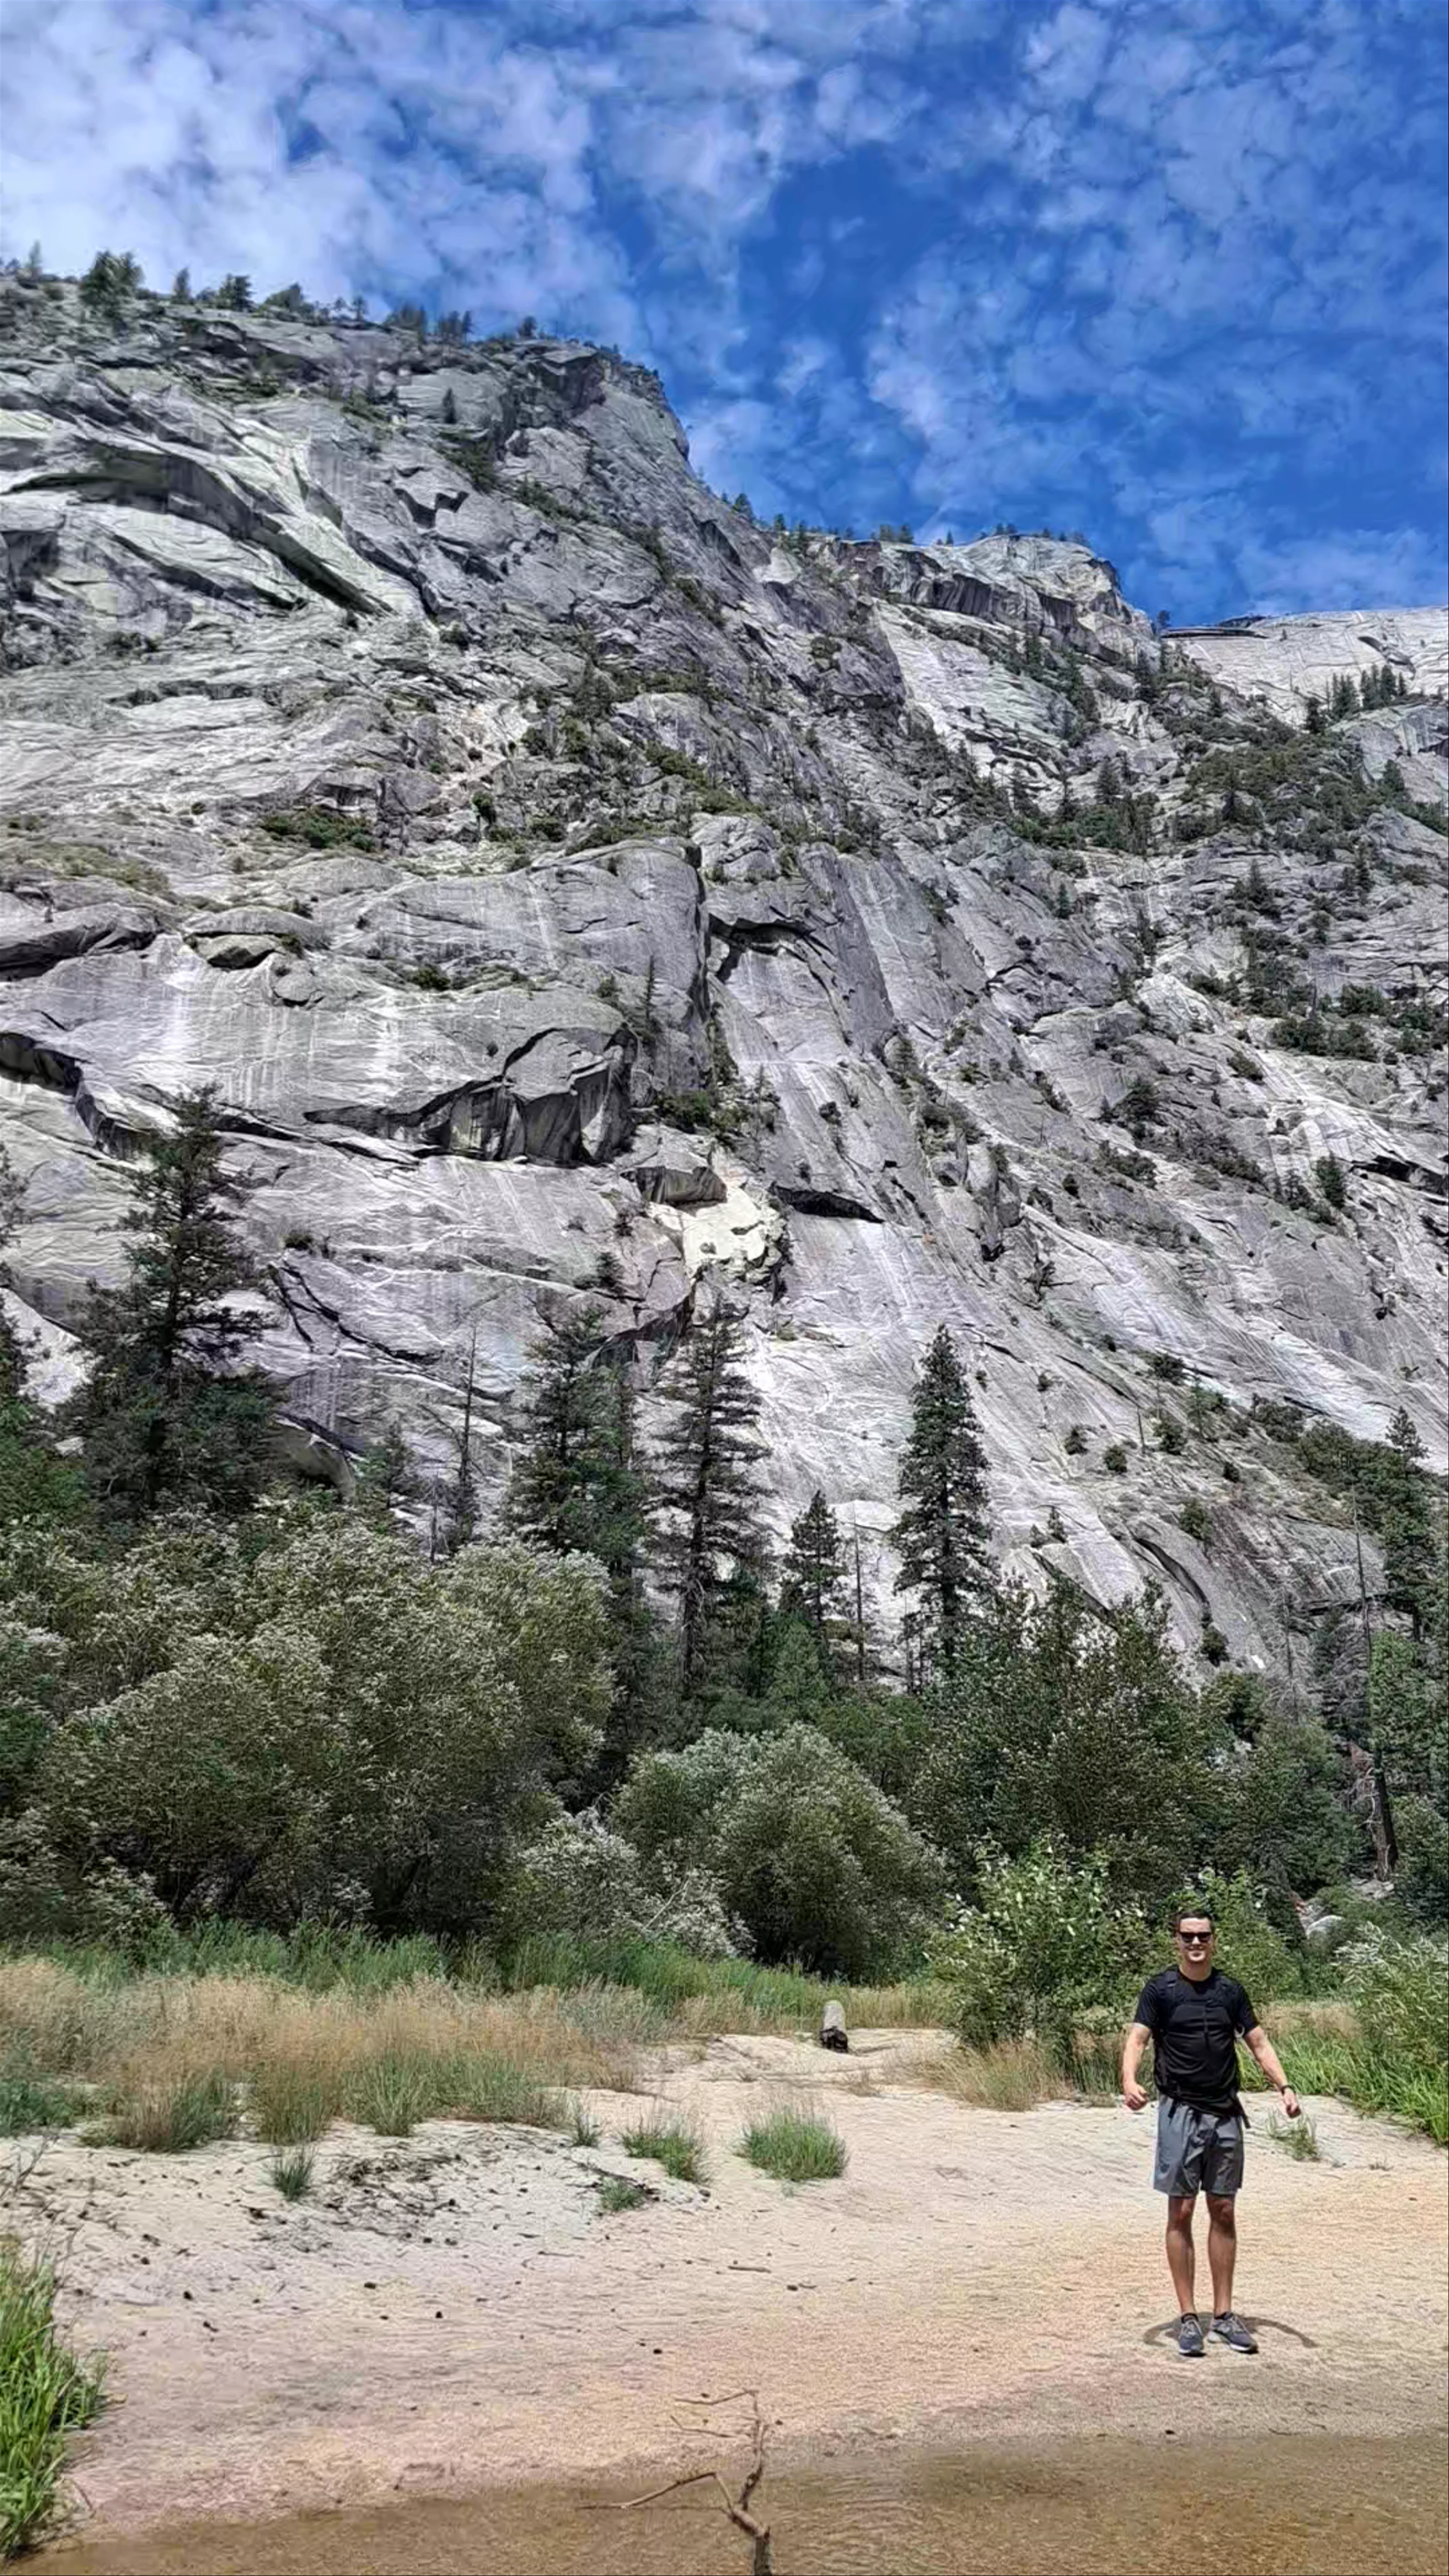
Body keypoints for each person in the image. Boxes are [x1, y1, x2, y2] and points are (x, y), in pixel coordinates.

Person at [1121, 1904, 1301, 2358]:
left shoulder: (1230, 1991)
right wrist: (1129, 2080)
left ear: (1214, 1940)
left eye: (1203, 1936)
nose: (1196, 1943)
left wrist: (1285, 2085)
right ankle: (1188, 2317)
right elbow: (1138, 2039)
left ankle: (1223, 2316)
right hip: (1180, 2111)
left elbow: (1258, 2041)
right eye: (1188, 1936)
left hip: (1224, 2114)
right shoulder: (1160, 1990)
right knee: (1180, 2212)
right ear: (1176, 1940)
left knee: (1223, 2209)